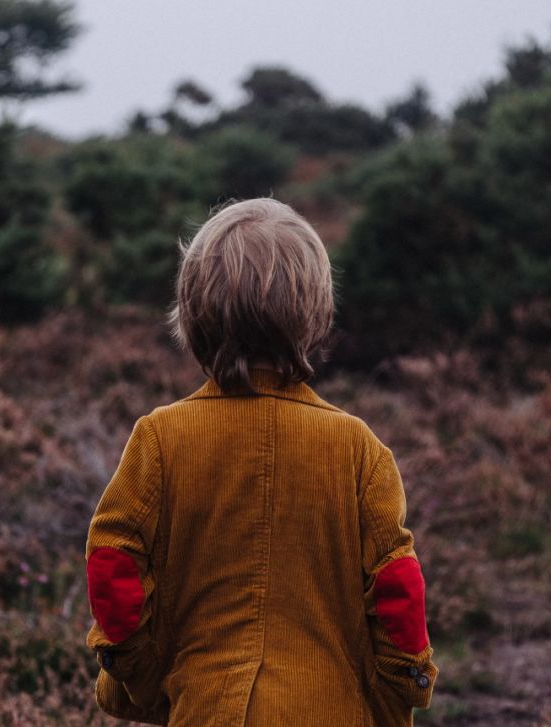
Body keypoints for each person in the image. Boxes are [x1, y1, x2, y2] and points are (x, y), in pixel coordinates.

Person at [84, 198, 437, 726]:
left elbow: (114, 567)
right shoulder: (358, 448)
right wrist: (395, 696)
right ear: (315, 313)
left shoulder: (159, 438)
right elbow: (397, 591)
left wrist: (145, 678)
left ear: (192, 312)